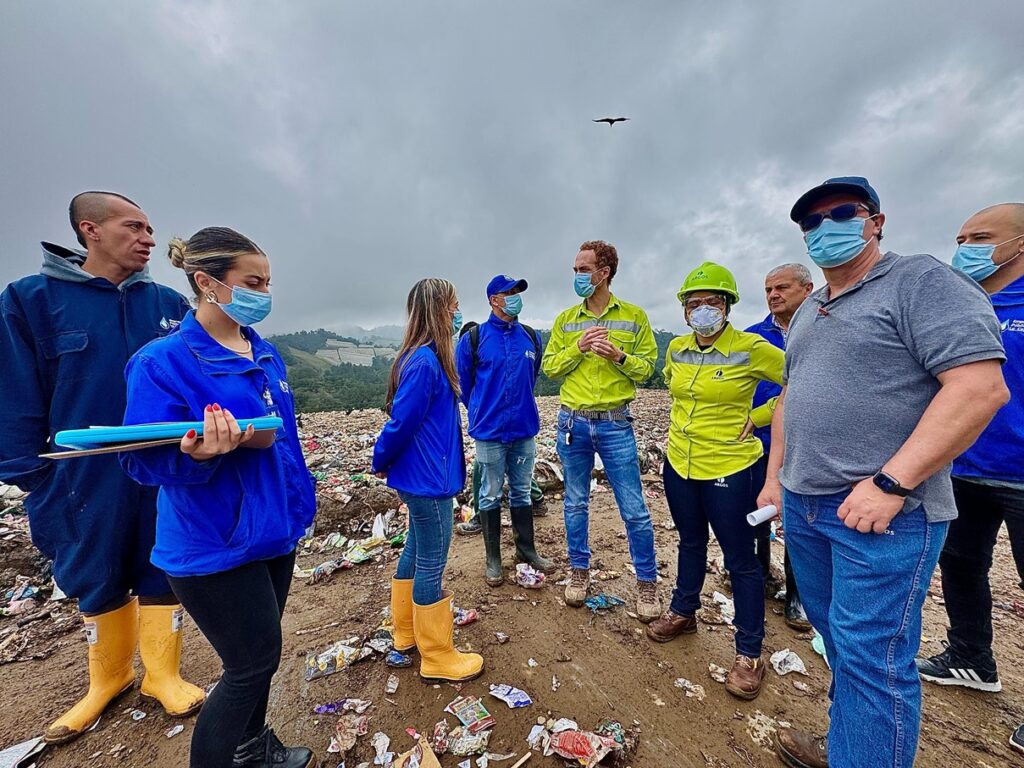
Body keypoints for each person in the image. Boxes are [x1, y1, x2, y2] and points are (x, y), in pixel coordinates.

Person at [761, 177, 1008, 768]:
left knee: (874, 660)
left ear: (875, 221)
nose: (824, 229)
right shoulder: (812, 313)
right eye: (810, 223)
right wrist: (779, 480)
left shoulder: (921, 281)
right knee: (842, 647)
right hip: (808, 507)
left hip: (885, 517)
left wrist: (891, 482)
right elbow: (791, 401)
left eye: (841, 213)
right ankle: (853, 749)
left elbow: (978, 388)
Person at [0, 192, 204, 744]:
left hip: (160, 463)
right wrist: (32, 477)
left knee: (160, 562)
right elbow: (16, 392)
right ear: (90, 230)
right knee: (95, 571)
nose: (149, 239)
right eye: (134, 226)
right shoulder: (31, 300)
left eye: (150, 227)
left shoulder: (165, 302)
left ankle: (162, 674)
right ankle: (109, 678)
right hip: (80, 473)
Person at [121, 227, 316, 768]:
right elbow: (137, 457)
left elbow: (285, 443)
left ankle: (253, 750)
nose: (264, 292)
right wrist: (199, 454)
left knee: (264, 656)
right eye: (252, 282)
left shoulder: (264, 352)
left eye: (268, 282)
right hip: (213, 541)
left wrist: (300, 508)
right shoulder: (163, 361)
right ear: (207, 282)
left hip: (274, 531)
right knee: (249, 664)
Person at [915, 203, 1024, 752]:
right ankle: (971, 657)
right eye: (960, 237)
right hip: (964, 465)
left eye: (981, 237)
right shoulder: (960, 302)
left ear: (1019, 243)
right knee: (961, 565)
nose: (967, 247)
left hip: (1021, 472)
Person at [650, 262, 784, 700]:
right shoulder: (676, 350)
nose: (703, 309)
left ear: (726, 306)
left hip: (730, 465)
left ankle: (749, 653)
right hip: (681, 464)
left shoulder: (752, 347)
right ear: (685, 311)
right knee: (689, 541)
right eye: (694, 303)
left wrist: (761, 416)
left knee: (740, 560)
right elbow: (676, 390)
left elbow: (802, 381)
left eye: (712, 301)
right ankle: (683, 611)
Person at [542, 240, 661, 621]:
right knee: (575, 501)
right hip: (572, 422)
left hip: (615, 422)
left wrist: (619, 356)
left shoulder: (634, 317)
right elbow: (550, 368)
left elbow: (647, 370)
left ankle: (646, 582)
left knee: (634, 508)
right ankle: (579, 571)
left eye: (583, 269)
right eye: (575, 269)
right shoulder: (565, 321)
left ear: (604, 272)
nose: (577, 275)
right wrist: (578, 347)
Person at [373, 279, 483, 683]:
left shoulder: (426, 358)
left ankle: (405, 634)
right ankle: (437, 655)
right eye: (454, 305)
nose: (458, 313)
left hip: (421, 474)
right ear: (439, 310)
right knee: (432, 562)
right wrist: (380, 459)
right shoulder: (425, 362)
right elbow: (401, 422)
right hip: (427, 480)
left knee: (416, 551)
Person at [456, 275, 553, 585]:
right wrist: (482, 409)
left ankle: (526, 551)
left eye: (517, 292)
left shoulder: (530, 336)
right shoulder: (474, 338)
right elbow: (464, 384)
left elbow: (531, 376)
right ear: (493, 300)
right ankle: (493, 558)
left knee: (522, 490)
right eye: (508, 293)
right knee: (490, 493)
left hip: (524, 428)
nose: (514, 297)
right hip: (490, 432)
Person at [744, 263, 814, 631]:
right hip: (759, 443)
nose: (773, 295)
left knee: (800, 519)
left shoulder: (824, 330)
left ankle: (798, 594)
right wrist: (755, 417)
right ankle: (758, 576)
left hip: (807, 446)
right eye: (769, 289)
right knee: (756, 512)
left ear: (807, 288)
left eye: (782, 288)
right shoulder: (753, 337)